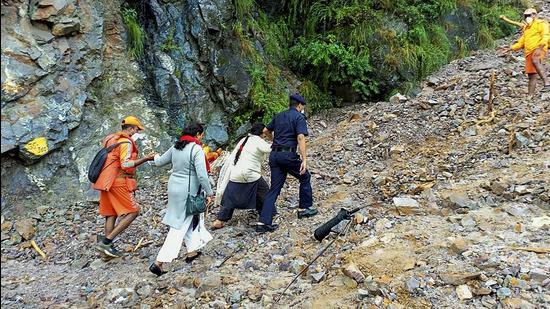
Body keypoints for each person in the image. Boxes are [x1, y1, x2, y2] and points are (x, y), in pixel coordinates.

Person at [149, 123, 214, 276]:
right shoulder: (196, 149)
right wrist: (210, 193)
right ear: (197, 134)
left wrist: (154, 156)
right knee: (179, 225)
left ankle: (192, 252)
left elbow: (158, 162)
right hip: (188, 191)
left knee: (188, 218)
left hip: (174, 187)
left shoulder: (176, 147)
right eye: (201, 135)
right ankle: (159, 262)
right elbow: (202, 175)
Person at [93, 116, 156, 257]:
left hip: (106, 182)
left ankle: (106, 252)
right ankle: (106, 242)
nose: (136, 132)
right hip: (118, 181)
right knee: (134, 211)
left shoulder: (110, 139)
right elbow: (125, 164)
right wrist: (146, 159)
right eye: (136, 129)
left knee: (111, 214)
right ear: (131, 128)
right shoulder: (126, 142)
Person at [257, 93, 318, 233]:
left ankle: (263, 223)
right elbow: (301, 137)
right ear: (299, 105)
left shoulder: (279, 116)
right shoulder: (299, 117)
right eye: (303, 106)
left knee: (274, 189)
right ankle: (304, 208)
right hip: (288, 155)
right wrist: (304, 159)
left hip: (275, 155)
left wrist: (274, 141)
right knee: (304, 176)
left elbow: (266, 130)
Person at [212, 123, 272, 230]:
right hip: (250, 173)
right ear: (262, 132)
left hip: (235, 172)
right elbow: (269, 149)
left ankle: (220, 220)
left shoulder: (244, 139)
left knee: (230, 197)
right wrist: (274, 138)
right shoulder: (258, 141)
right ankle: (267, 213)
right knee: (264, 192)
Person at [503, 8, 550, 95]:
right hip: (528, 52)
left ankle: (547, 83)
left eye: (529, 15)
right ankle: (530, 96)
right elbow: (521, 42)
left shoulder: (542, 23)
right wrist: (510, 48)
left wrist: (540, 48)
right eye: (525, 16)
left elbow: (546, 36)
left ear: (534, 15)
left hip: (539, 48)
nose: (527, 17)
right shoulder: (526, 28)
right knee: (531, 75)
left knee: (535, 60)